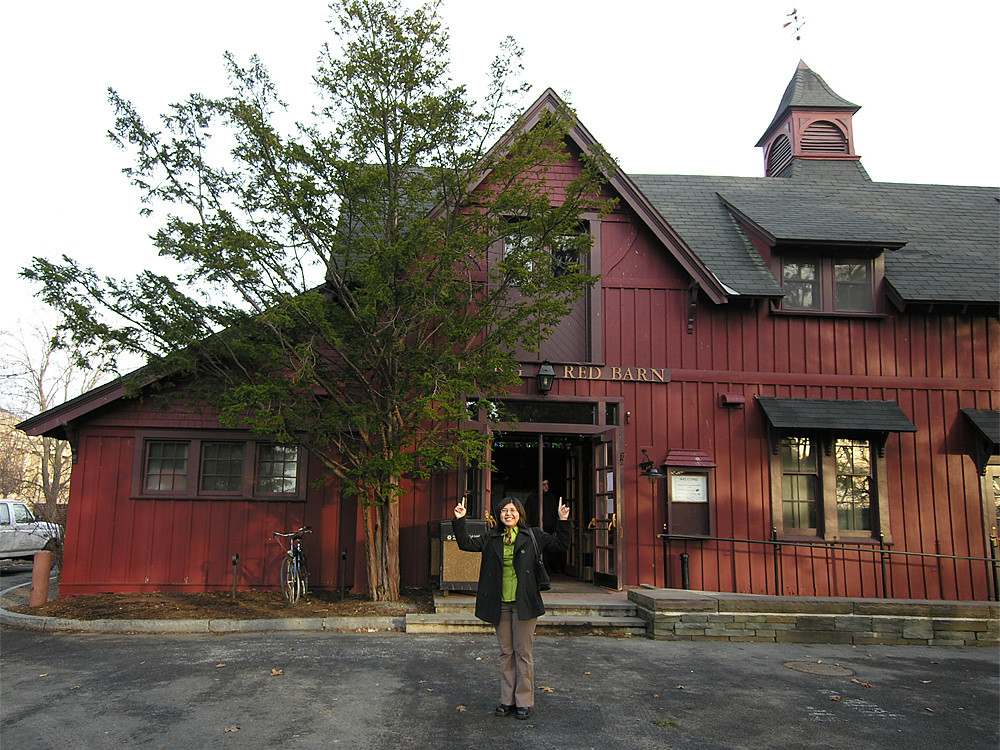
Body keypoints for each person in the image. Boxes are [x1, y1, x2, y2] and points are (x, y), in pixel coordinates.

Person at [453, 494, 571, 720]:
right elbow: (466, 543)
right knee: (506, 652)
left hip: (525, 601)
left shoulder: (533, 535)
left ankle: (524, 701)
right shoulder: (491, 537)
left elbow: (561, 545)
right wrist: (461, 519)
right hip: (500, 602)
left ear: (520, 515)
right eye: (504, 510)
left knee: (523, 653)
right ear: (499, 515)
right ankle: (506, 700)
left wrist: (563, 520)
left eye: (513, 510)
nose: (509, 514)